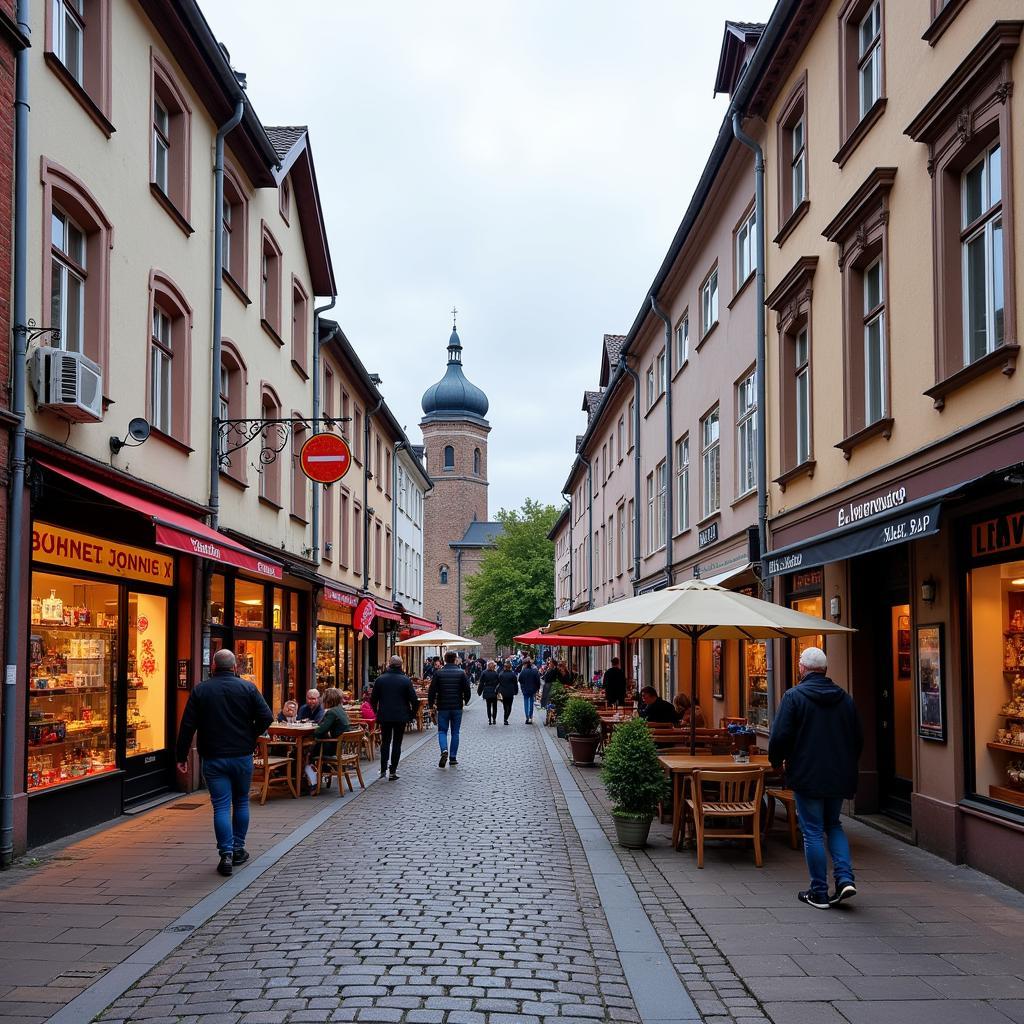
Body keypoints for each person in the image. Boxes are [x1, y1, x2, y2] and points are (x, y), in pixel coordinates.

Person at [768, 646, 863, 910]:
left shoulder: (794, 697)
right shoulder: (844, 698)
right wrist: (846, 764)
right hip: (838, 774)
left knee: (811, 831)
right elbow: (858, 739)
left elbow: (779, 737)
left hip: (807, 773)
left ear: (803, 668)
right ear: (824, 669)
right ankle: (845, 879)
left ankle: (819, 891)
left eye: (799, 663)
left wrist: (776, 762)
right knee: (833, 824)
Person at [175, 649, 273, 877]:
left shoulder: (201, 690)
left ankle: (226, 854)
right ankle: (238, 848)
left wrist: (181, 756)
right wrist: (251, 736)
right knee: (240, 802)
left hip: (214, 757)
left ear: (214, 667)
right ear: (236, 667)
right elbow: (266, 716)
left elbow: (187, 725)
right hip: (241, 755)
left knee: (220, 805)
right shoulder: (247, 688)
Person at [371, 655, 419, 779]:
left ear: (389, 664)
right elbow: (414, 700)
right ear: (401, 665)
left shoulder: (380, 679)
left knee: (385, 742)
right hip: (401, 716)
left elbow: (373, 699)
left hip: (385, 716)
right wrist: (412, 714)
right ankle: (393, 771)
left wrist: (377, 712)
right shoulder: (405, 680)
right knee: (397, 743)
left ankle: (382, 769)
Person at [427, 651, 471, 767]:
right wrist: (465, 701)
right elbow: (467, 690)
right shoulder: (461, 673)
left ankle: (444, 750)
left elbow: (432, 691)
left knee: (442, 731)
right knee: (455, 732)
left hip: (443, 706)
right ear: (455, 659)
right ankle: (452, 757)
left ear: (445, 660)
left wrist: (431, 705)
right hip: (456, 706)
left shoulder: (439, 673)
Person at [309, 687, 353, 789]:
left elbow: (320, 731)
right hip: (340, 748)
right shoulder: (341, 710)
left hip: (333, 749)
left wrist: (313, 730)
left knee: (305, 751)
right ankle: (322, 771)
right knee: (309, 749)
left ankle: (311, 781)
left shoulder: (332, 712)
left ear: (327, 699)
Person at [478, 660, 501, 724]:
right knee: (495, 706)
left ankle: (489, 719)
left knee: (488, 706)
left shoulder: (484, 673)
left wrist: (479, 691)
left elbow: (481, 683)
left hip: (487, 690)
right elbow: (499, 683)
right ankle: (494, 719)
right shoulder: (496, 673)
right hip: (494, 691)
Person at [496, 661, 519, 725]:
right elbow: (515, 684)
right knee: (510, 705)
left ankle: (505, 718)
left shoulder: (501, 674)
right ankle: (505, 718)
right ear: (510, 667)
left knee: (505, 705)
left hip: (503, 692)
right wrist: (516, 691)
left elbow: (498, 682)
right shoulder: (513, 674)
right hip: (510, 692)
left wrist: (498, 691)